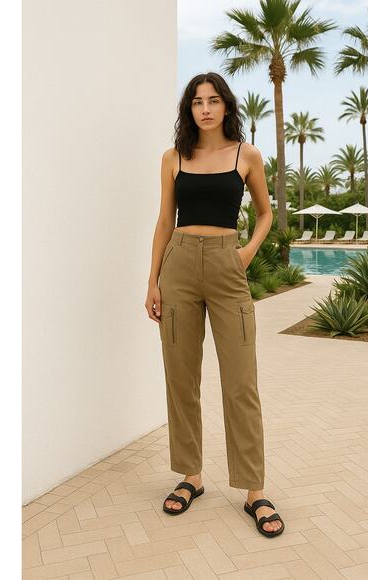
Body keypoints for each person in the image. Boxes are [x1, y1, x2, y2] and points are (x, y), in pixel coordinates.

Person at [145, 72, 284, 537]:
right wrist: (153, 281)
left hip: (228, 267)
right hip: (179, 267)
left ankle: (254, 490)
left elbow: (265, 213)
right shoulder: (173, 158)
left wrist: (245, 253)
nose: (205, 109)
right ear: (189, 109)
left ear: (226, 106)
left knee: (241, 382)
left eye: (213, 100)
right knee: (181, 378)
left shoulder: (247, 155)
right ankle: (192, 476)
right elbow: (164, 221)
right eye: (197, 101)